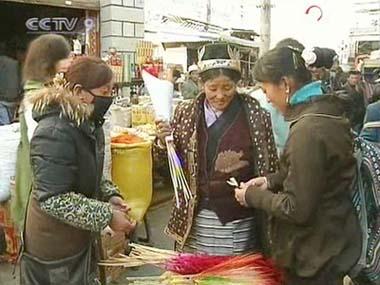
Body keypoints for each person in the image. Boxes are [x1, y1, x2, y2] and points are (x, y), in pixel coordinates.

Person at [235, 46, 362, 285]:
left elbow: (296, 208)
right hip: (333, 240)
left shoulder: (307, 130)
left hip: (315, 255)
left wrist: (252, 196)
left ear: (284, 84)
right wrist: (271, 180)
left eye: (266, 90)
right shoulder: (326, 110)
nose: (269, 100)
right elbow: (316, 171)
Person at [20, 57, 135, 284]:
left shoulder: (89, 122)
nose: (110, 98)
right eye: (104, 91)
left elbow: (88, 170)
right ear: (79, 91)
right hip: (54, 246)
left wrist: (110, 195)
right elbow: (53, 199)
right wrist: (107, 215)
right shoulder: (53, 131)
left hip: (78, 235)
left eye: (113, 90)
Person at [155, 43, 278, 255]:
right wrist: (162, 143)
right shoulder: (185, 113)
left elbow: (270, 168)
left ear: (237, 84)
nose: (220, 95)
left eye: (227, 87)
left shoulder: (256, 116)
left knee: (233, 274)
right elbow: (171, 169)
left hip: (239, 219)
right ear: (201, 83)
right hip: (195, 216)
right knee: (198, 274)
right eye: (212, 88)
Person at [12, 34, 73, 231]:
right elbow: (41, 143)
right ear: (48, 62)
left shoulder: (48, 89)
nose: (70, 61)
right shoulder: (35, 97)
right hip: (38, 179)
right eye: (65, 57)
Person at [0, 42, 20, 125]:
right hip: (13, 99)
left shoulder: (13, 64)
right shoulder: (16, 64)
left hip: (4, 99)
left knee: (6, 126)